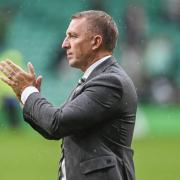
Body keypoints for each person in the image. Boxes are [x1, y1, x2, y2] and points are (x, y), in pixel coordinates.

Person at [0, 10, 137, 180]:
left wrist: (29, 92)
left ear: (95, 42)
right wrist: (27, 96)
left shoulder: (110, 81)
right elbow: (54, 126)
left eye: (72, 36)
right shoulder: (97, 79)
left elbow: (56, 123)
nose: (65, 44)